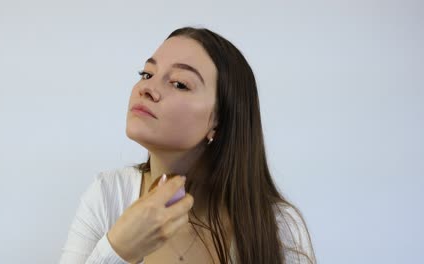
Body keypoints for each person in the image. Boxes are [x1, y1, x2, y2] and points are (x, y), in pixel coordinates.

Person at [59, 26, 317, 264]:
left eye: (179, 84)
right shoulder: (107, 195)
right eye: (147, 73)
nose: (147, 88)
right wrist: (117, 250)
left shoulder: (278, 227)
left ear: (219, 120)